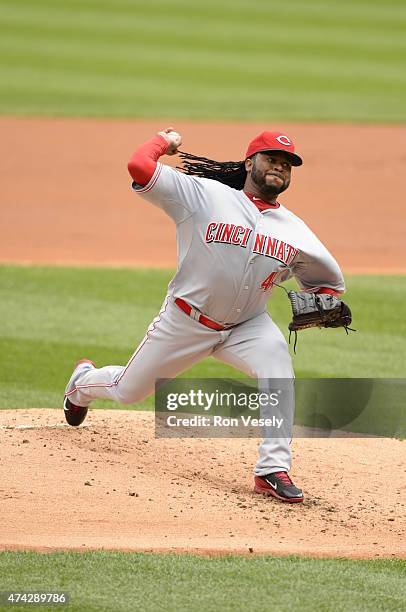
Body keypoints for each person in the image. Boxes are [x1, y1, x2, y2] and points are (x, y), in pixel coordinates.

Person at [63, 127, 345, 503]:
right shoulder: (204, 196)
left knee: (278, 366)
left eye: (287, 163)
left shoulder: (298, 232)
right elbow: (139, 167)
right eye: (271, 159)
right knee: (128, 390)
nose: (279, 167)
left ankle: (271, 470)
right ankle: (82, 382)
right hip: (185, 321)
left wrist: (327, 301)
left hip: (248, 326)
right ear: (250, 163)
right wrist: (164, 142)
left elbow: (328, 284)